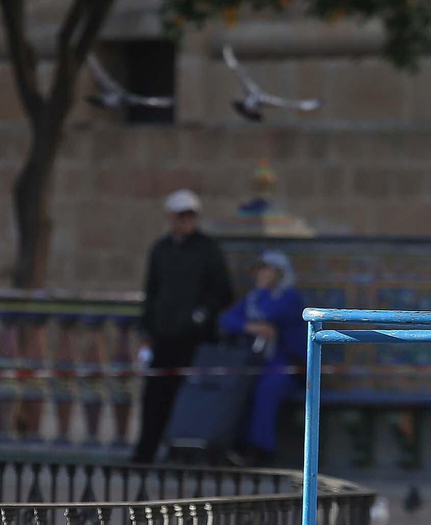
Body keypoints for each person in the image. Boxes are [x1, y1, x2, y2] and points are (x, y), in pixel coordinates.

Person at [131, 189, 234, 463]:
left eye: (190, 215)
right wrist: (146, 331)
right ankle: (146, 450)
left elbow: (222, 291)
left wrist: (201, 315)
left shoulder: (208, 250)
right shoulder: (161, 249)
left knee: (189, 397)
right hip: (163, 336)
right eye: (181, 215)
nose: (186, 221)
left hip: (194, 338)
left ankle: (182, 451)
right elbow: (151, 292)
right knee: (155, 396)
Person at [218, 250, 307, 464]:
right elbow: (226, 320)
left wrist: (255, 319)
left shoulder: (289, 297)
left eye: (267, 270)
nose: (261, 275)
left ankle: (260, 450)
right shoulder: (255, 297)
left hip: (289, 365)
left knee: (266, 390)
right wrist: (250, 326)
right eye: (260, 270)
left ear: (280, 273)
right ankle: (232, 445)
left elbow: (273, 314)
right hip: (261, 363)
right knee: (240, 386)